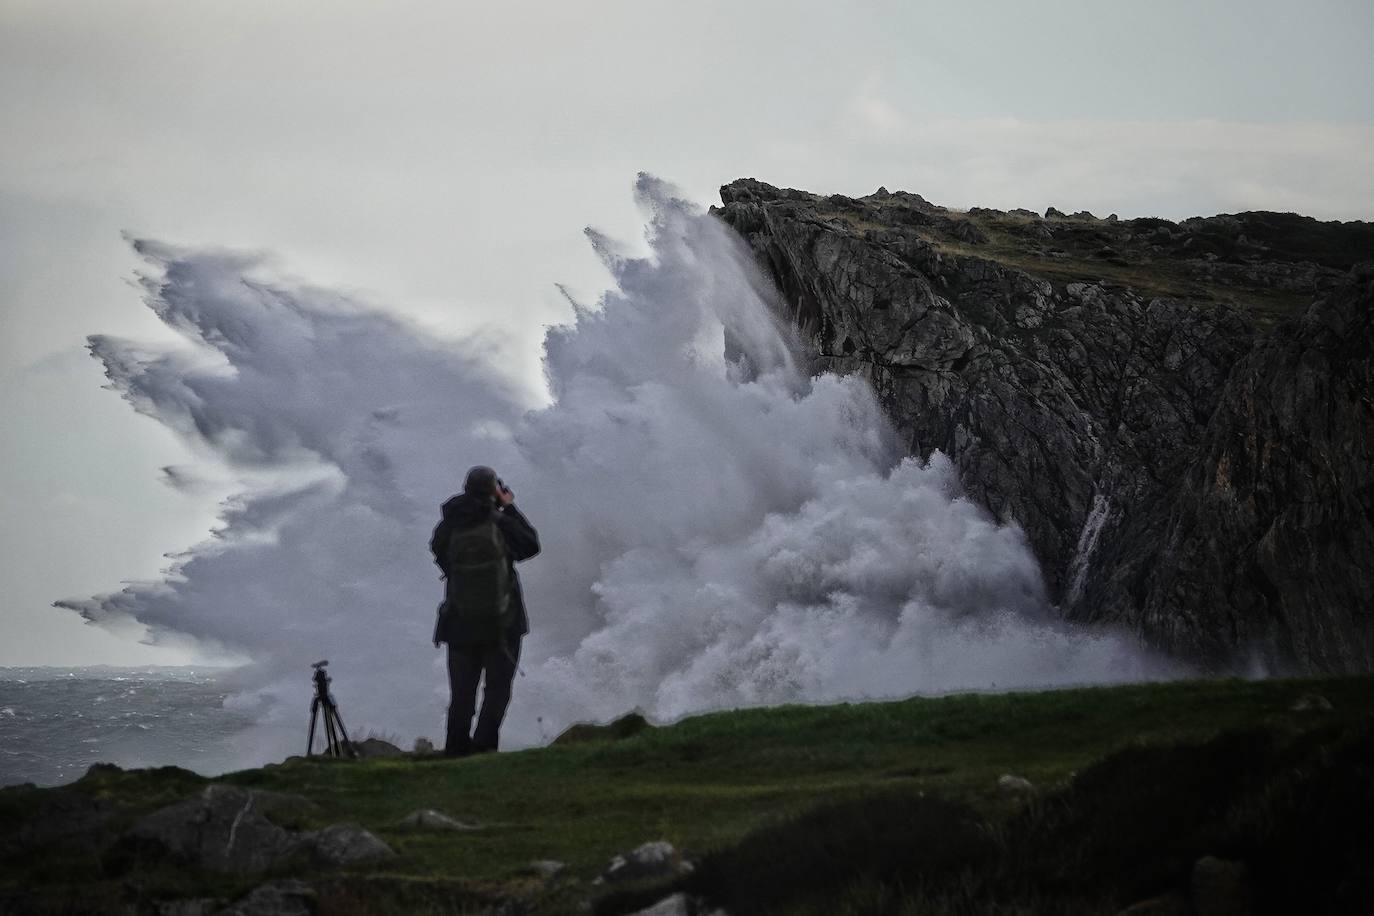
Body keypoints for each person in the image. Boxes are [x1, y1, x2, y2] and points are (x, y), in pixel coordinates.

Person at [429, 465, 540, 756]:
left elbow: (440, 555)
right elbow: (530, 546)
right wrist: (509, 507)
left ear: (465, 488)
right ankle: (484, 747)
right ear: (494, 490)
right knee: (497, 690)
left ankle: (455, 749)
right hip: (503, 622)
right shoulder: (501, 522)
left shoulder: (450, 525)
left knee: (462, 694)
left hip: (459, 622)